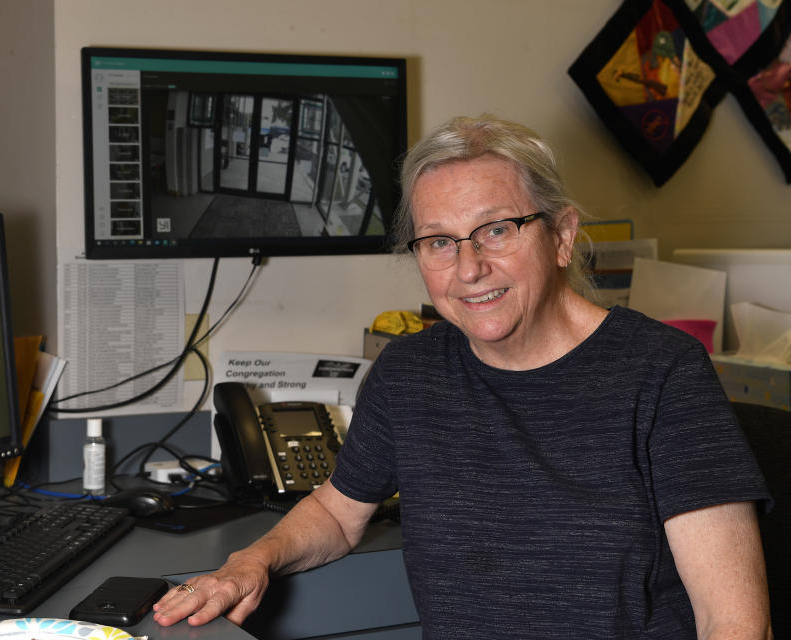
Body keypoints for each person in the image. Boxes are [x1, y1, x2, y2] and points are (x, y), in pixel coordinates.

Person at [153, 115, 773, 638]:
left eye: (496, 230)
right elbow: (339, 514)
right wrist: (250, 562)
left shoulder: (661, 373)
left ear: (561, 235)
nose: (469, 267)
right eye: (439, 241)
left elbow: (735, 623)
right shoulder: (410, 372)